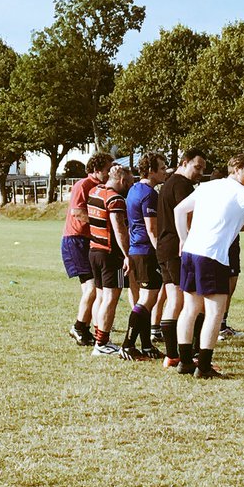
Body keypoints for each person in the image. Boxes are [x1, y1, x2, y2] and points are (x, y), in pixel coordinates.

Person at [172, 153, 244, 379]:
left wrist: (184, 239)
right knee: (215, 312)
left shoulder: (209, 186)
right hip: (213, 256)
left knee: (190, 308)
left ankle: (185, 362)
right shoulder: (243, 193)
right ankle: (204, 366)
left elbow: (179, 210)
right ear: (236, 169)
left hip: (191, 252)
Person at [155, 148, 207, 368]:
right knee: (193, 302)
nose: (200, 172)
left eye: (203, 169)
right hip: (178, 249)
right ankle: (192, 352)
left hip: (164, 248)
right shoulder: (182, 185)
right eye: (197, 167)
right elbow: (187, 215)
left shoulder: (167, 183)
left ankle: (171, 355)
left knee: (174, 300)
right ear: (184, 163)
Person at [64, 152, 114, 346]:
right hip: (75, 240)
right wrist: (99, 224)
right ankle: (78, 327)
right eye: (107, 170)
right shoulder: (83, 185)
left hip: (89, 241)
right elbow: (77, 212)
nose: (110, 174)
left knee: (95, 289)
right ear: (96, 169)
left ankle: (89, 328)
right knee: (92, 288)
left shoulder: (102, 187)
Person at [122, 153, 168, 359]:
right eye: (162, 168)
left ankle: (147, 346)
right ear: (150, 170)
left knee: (146, 299)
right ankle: (127, 345)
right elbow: (152, 229)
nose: (165, 171)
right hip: (146, 252)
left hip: (136, 250)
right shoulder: (150, 194)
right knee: (147, 300)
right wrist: (162, 254)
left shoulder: (134, 189)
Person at [86, 163, 133, 357]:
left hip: (94, 250)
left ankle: (99, 337)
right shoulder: (115, 199)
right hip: (111, 253)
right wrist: (127, 255)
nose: (131, 186)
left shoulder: (95, 192)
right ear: (122, 181)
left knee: (100, 296)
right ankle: (102, 343)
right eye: (130, 182)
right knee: (111, 298)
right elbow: (118, 228)